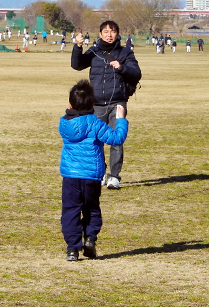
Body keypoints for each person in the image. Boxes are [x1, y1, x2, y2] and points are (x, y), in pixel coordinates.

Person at [59, 79, 129, 261]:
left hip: (70, 176)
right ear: (92, 104)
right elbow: (116, 138)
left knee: (70, 210)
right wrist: (121, 120)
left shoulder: (64, 124)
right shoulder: (95, 124)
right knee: (91, 209)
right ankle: (90, 238)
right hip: (91, 176)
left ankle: (72, 249)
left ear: (69, 104)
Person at [70, 21, 141, 190]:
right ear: (100, 34)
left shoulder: (125, 52)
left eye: (113, 31)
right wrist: (78, 46)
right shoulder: (94, 51)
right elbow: (77, 65)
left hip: (117, 102)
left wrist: (122, 67)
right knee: (96, 141)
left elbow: (137, 73)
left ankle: (114, 177)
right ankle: (100, 173)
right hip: (96, 104)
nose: (109, 34)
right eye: (106, 31)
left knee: (116, 140)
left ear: (118, 34)